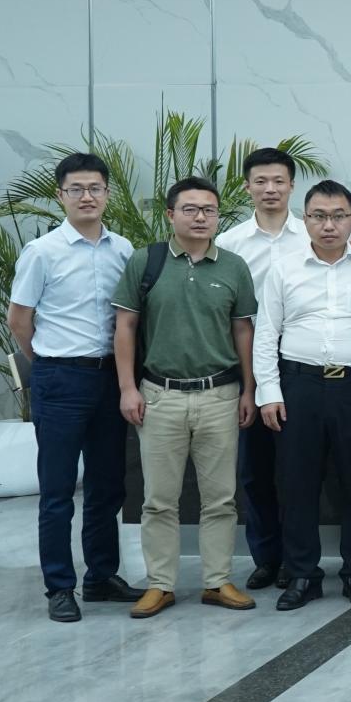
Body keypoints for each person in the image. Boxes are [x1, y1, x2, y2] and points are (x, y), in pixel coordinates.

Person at [112, 176, 260, 619]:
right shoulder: (146, 261)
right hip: (160, 395)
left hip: (220, 395)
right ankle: (160, 584)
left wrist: (249, 389)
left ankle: (218, 581)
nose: (200, 217)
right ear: (171, 214)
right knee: (158, 499)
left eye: (209, 210)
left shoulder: (233, 266)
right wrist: (127, 388)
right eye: (190, 209)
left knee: (221, 499)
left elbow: (243, 331)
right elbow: (125, 327)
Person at [8, 152, 138, 622]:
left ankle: (101, 576)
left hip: (110, 378)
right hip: (60, 378)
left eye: (95, 188)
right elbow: (19, 320)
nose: (87, 196)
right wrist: (46, 362)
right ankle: (60, 586)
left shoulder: (123, 250)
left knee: (107, 486)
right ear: (60, 195)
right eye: (77, 189)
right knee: (59, 490)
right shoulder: (42, 252)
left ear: (107, 194)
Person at [253, 180, 351, 610]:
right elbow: (266, 333)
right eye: (319, 216)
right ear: (306, 219)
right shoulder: (284, 269)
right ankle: (302, 574)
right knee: (297, 483)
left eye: (338, 216)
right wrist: (269, 392)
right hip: (299, 386)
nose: (329, 225)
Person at [216, 147, 307, 594]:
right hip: (248, 366)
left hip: (301, 364)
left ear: (291, 185)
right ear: (247, 186)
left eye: (278, 181)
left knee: (297, 469)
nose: (270, 189)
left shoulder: (310, 235)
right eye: (260, 181)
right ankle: (266, 558)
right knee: (255, 469)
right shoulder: (230, 243)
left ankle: (296, 559)